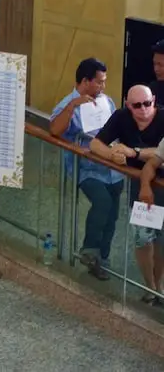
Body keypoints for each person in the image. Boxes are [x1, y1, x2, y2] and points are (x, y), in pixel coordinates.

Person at [90, 85, 164, 305]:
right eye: (137, 105)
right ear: (128, 105)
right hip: (142, 185)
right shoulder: (122, 117)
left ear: (154, 100)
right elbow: (95, 143)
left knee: (161, 240)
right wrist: (112, 155)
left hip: (159, 183)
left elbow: (158, 153)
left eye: (147, 103)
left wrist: (134, 152)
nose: (143, 109)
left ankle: (159, 285)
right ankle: (149, 286)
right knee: (142, 237)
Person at [49, 58, 121, 280]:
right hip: (87, 169)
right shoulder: (67, 104)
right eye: (99, 82)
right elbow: (54, 130)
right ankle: (89, 250)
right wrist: (74, 106)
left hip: (112, 169)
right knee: (102, 203)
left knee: (111, 215)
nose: (103, 87)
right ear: (85, 81)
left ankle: (102, 260)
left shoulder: (107, 101)